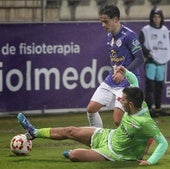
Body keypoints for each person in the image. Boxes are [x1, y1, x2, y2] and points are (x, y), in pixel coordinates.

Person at [17, 68, 168, 165]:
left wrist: (150, 162)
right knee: (71, 131)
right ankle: (34, 132)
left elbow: (163, 143)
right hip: (108, 136)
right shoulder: (136, 102)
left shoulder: (144, 121)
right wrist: (125, 71)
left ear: (131, 105)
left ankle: (84, 152)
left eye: (122, 100)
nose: (119, 100)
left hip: (115, 154)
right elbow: (134, 80)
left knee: (74, 156)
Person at [87, 4, 144, 127]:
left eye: (106, 22)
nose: (103, 25)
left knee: (118, 120)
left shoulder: (129, 36)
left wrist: (124, 73)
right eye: (101, 22)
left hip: (127, 81)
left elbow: (140, 58)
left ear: (116, 19)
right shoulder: (110, 36)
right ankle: (98, 139)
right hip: (112, 79)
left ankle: (133, 141)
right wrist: (117, 72)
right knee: (91, 109)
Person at [139, 7, 170, 117]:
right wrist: (147, 53)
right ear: (151, 18)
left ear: (162, 18)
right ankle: (149, 109)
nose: (157, 19)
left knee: (159, 87)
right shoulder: (146, 30)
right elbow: (140, 44)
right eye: (154, 17)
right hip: (151, 62)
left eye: (159, 17)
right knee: (150, 87)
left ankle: (158, 108)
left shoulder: (165, 30)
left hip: (161, 63)